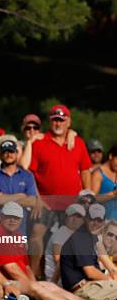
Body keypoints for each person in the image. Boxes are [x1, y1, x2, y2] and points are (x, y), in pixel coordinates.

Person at [25, 105, 92, 277]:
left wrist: (88, 194)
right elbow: (29, 173)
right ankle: (34, 275)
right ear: (50, 121)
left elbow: (85, 170)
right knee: (36, 235)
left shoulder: (77, 142)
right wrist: (36, 197)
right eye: (55, 119)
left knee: (72, 238)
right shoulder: (40, 142)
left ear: (68, 122)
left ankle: (67, 276)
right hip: (45, 201)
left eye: (62, 119)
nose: (58, 123)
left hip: (73, 202)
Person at [0, 202, 85, 300]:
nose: (13, 220)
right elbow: (12, 270)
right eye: (9, 217)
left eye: (16, 217)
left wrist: (35, 283)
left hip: (15, 281)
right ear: (1, 216)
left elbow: (26, 267)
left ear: (21, 220)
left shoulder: (18, 236)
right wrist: (32, 286)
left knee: (49, 285)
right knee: (37, 287)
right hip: (2, 282)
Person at [60, 203, 117, 300]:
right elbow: (90, 272)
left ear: (103, 222)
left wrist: (114, 273)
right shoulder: (81, 238)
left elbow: (108, 263)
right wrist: (110, 279)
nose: (95, 223)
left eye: (99, 220)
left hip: (90, 285)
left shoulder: (92, 236)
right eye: (92, 218)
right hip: (83, 289)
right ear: (86, 218)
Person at [0, 137, 38, 234]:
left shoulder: (27, 175)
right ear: (0, 155)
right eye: (5, 152)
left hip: (21, 224)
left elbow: (32, 201)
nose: (8, 155)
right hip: (1, 223)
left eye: (11, 151)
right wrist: (20, 196)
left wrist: (5, 198)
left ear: (16, 153)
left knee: (20, 248)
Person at [44, 203, 86, 284]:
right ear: (66, 217)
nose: (74, 219)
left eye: (78, 216)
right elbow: (58, 260)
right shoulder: (61, 233)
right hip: (58, 281)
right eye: (71, 215)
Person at [91, 144, 116, 220]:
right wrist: (113, 194)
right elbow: (92, 200)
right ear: (111, 156)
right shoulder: (98, 174)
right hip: (102, 223)